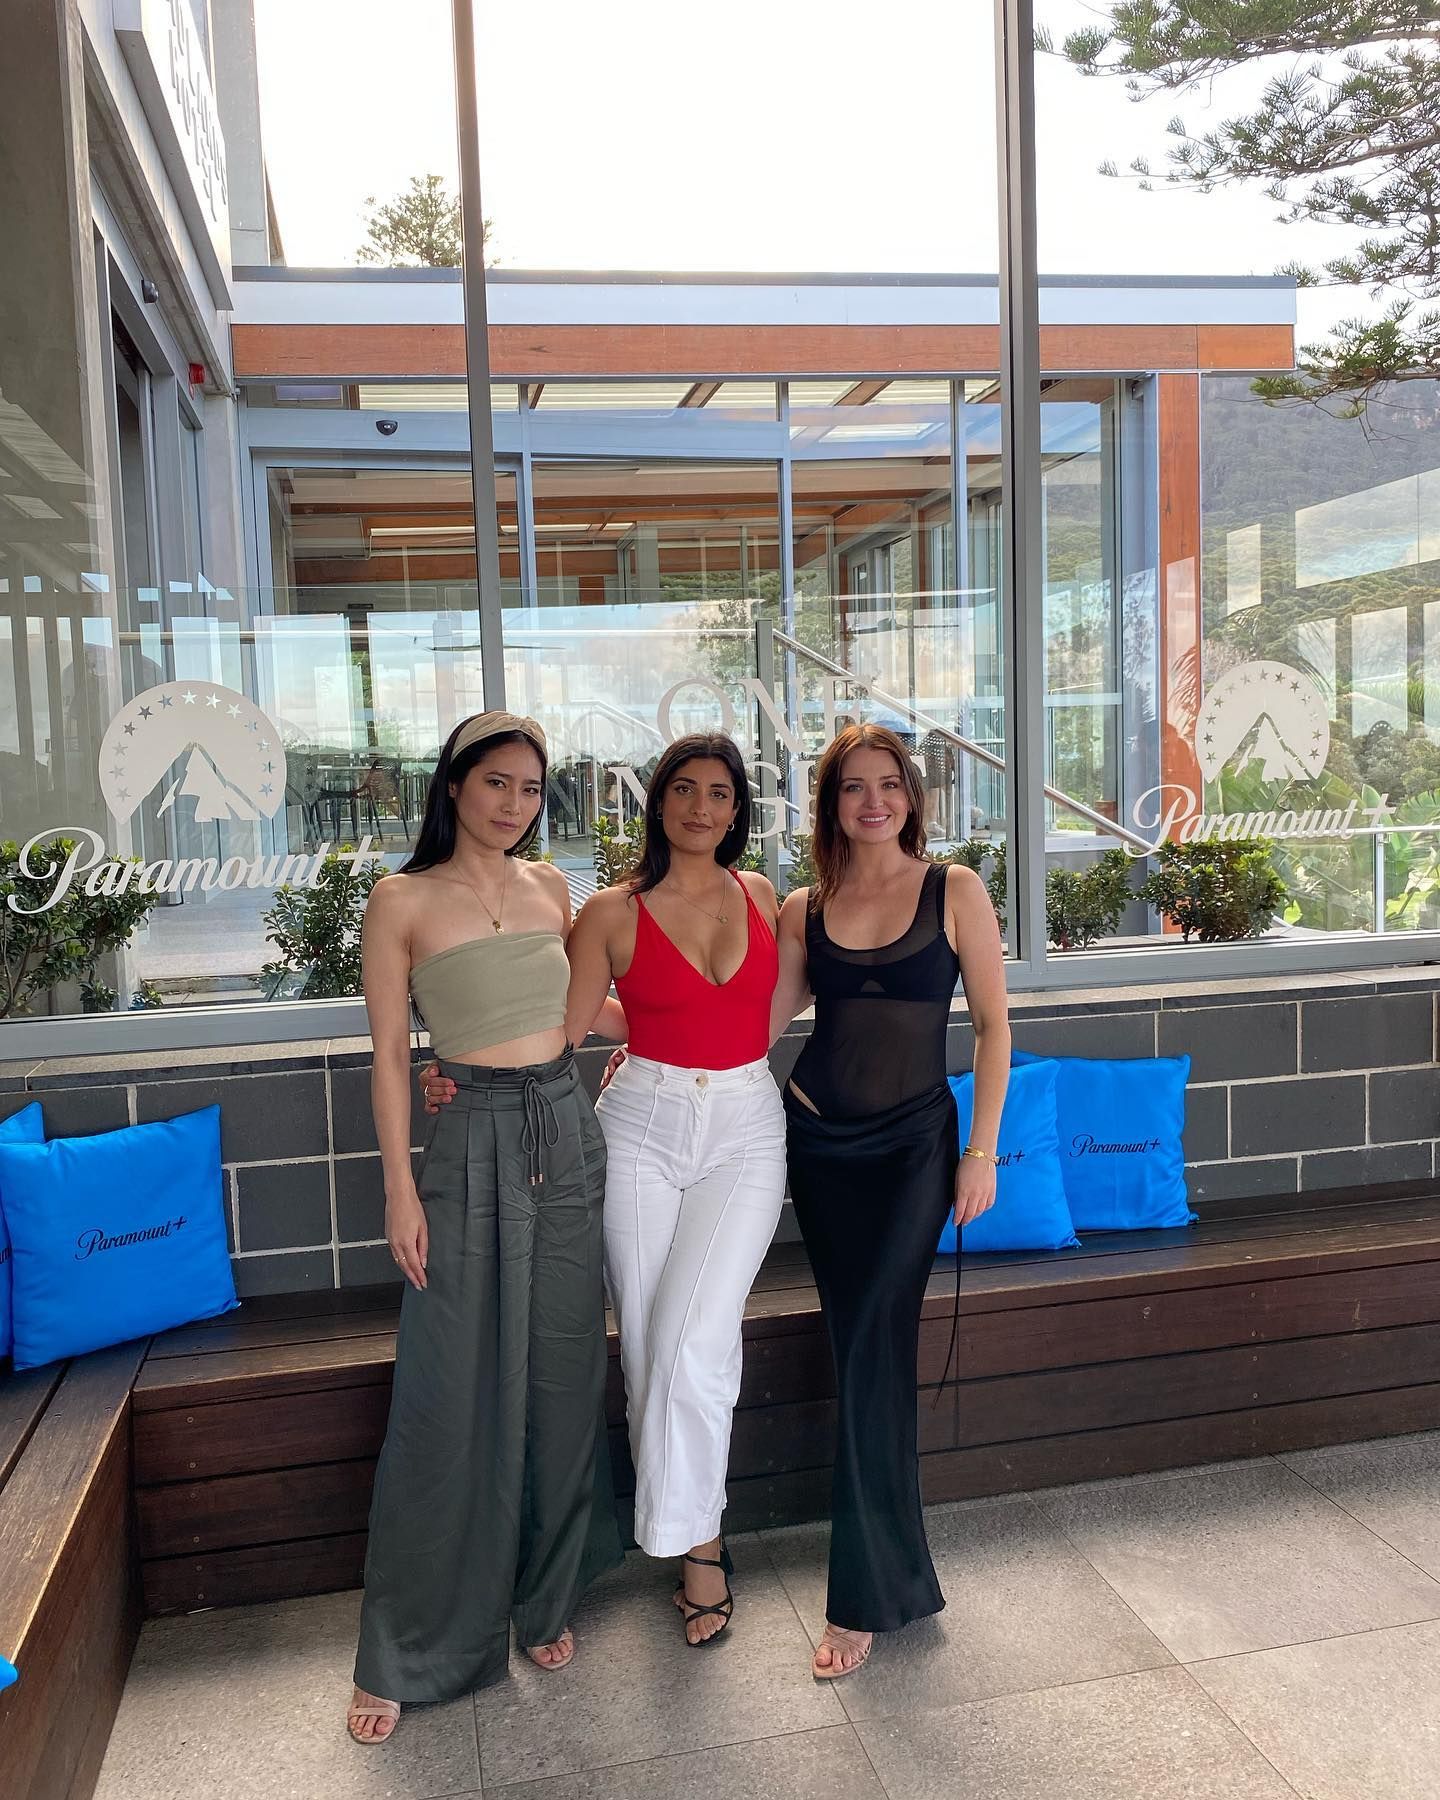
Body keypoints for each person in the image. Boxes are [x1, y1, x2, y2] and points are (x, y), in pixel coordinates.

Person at [425, 732, 786, 1646]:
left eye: (720, 793)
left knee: (694, 1338)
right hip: (639, 1127)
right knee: (648, 1346)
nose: (702, 808)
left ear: (737, 810)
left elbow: (769, 1007)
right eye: (684, 790)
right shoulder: (611, 912)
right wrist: (454, 1069)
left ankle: (687, 1542)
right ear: (658, 802)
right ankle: (698, 1545)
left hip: (746, 1125)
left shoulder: (761, 896)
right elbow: (561, 1024)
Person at [347, 711, 622, 1745]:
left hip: (565, 1126)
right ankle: (412, 1642)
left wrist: (678, 1033)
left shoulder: (553, 887)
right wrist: (400, 1189)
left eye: (531, 788)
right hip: (465, 1142)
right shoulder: (400, 899)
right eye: (497, 782)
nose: (514, 804)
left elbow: (586, 1010)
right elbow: (389, 1055)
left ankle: (545, 1596)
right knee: (447, 1385)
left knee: (564, 1369)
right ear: (454, 786)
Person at [770, 722, 1009, 1680]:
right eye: (853, 787)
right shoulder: (804, 906)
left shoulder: (955, 890)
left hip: (915, 1150)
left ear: (912, 796)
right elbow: (757, 1025)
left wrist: (981, 1152)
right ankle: (895, 1574)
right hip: (818, 1142)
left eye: (889, 784)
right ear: (830, 804)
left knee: (874, 1341)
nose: (874, 801)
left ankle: (862, 1597)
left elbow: (992, 1027)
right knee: (859, 1347)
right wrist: (634, 1036)